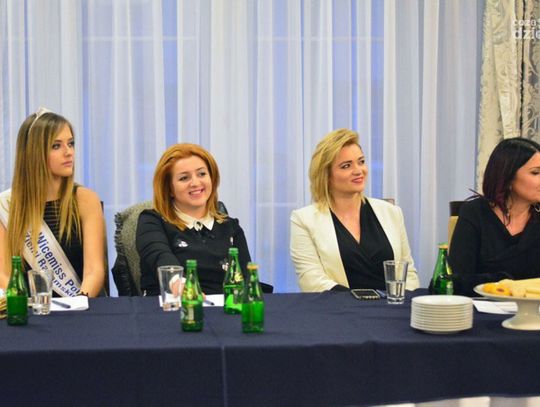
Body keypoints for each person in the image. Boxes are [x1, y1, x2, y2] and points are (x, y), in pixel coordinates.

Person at [290, 128, 419, 292]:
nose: (359, 171)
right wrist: (358, 301)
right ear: (326, 176)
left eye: (361, 161)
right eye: (346, 166)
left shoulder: (392, 212)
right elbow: (311, 281)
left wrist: (402, 302)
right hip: (339, 306)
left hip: (393, 306)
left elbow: (409, 274)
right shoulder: (303, 219)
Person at [0, 107, 106, 297]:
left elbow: (94, 271)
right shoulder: (6, 206)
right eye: (56, 146)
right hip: (30, 309)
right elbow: (4, 275)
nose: (69, 152)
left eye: (71, 143)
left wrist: (76, 305)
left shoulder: (86, 199)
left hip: (81, 306)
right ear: (34, 153)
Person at [136, 143, 251, 295]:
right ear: (169, 188)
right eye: (184, 178)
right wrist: (183, 287)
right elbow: (160, 257)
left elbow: (245, 280)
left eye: (202, 174)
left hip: (225, 307)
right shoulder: (152, 221)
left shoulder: (231, 227)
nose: (196, 183)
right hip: (172, 305)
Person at [449, 137, 540, 296]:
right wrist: (503, 281)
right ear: (508, 177)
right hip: (481, 308)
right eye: (536, 173)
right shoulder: (475, 213)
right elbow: (457, 280)